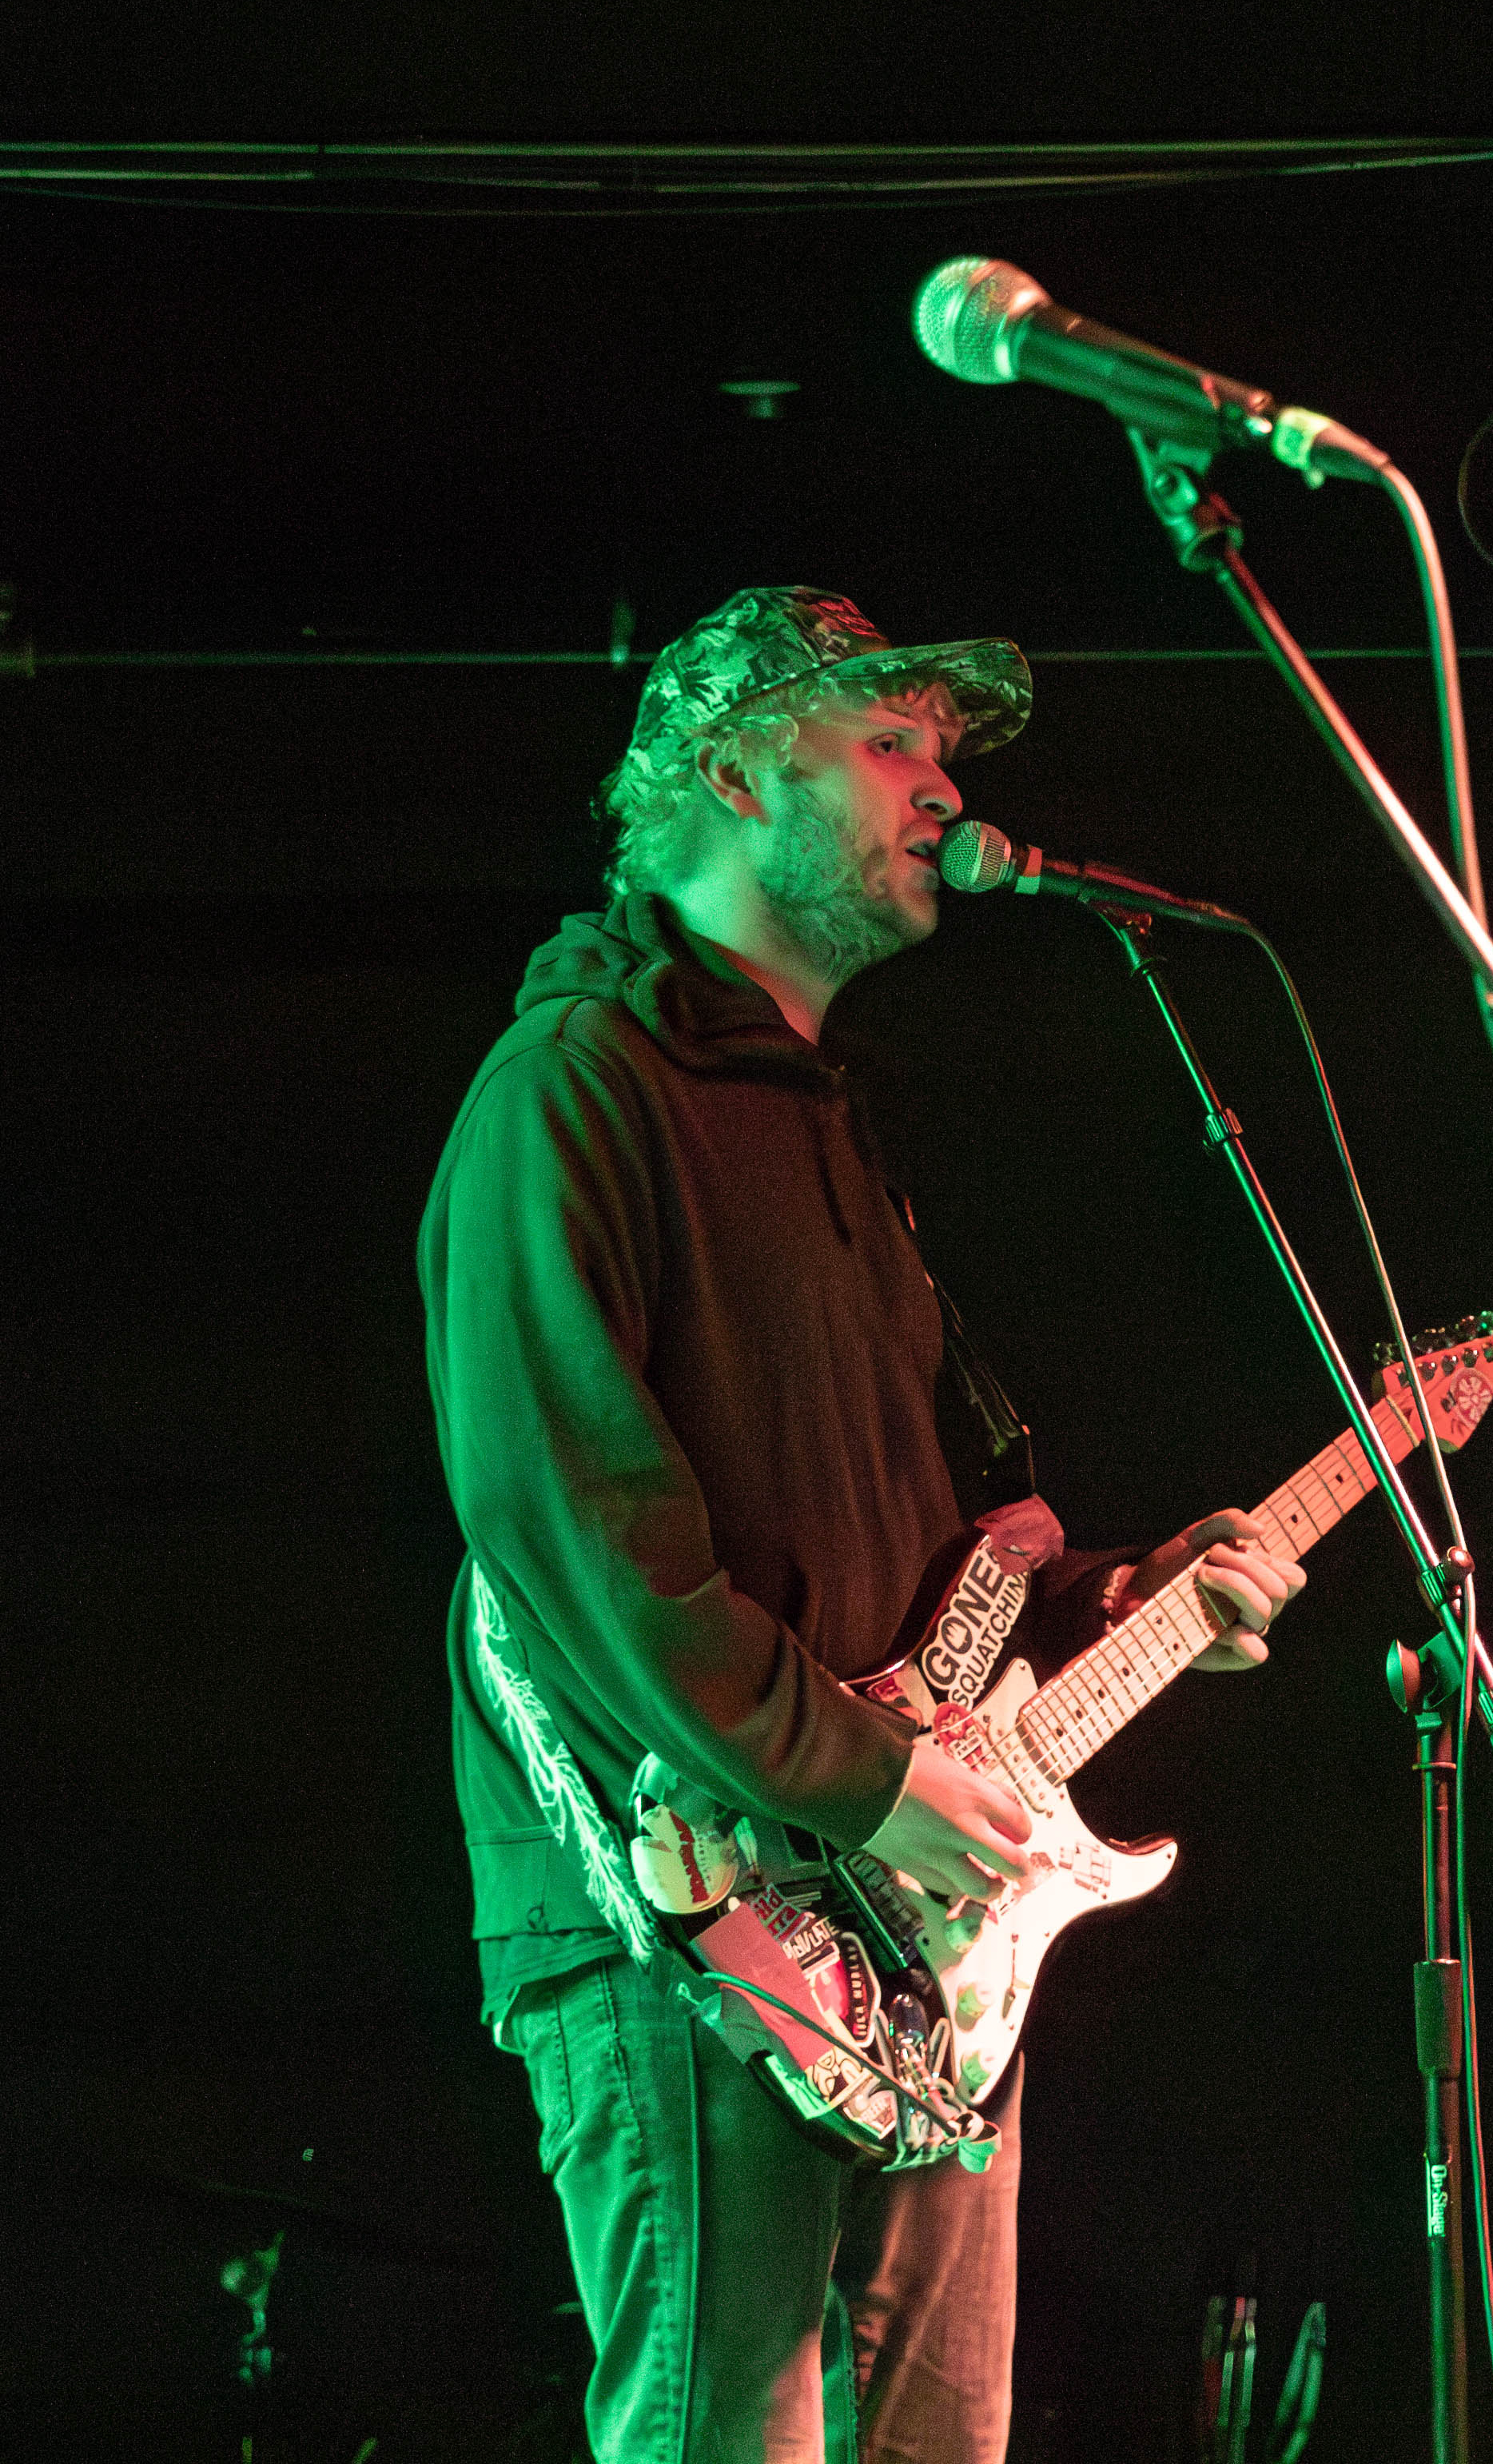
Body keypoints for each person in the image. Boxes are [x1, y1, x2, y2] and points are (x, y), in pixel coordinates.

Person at [428, 588, 1310, 2464]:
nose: (945, 785)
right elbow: (579, 1536)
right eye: (893, 740)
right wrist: (859, 1776)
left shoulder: (833, 1127)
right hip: (684, 1905)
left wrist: (1119, 1598)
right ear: (738, 767)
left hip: (910, 1917)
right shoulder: (575, 1091)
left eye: (945, 749)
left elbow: (923, 1558)